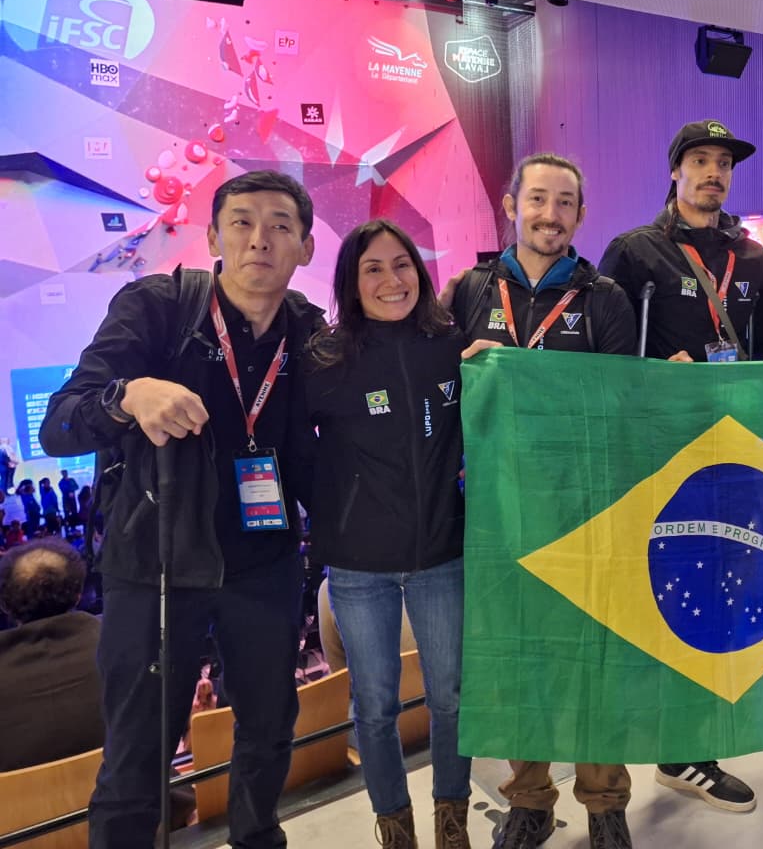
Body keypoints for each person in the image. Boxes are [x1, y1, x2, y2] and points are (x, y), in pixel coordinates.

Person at [40, 170, 322, 849]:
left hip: (264, 565)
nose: (261, 239)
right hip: (155, 566)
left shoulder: (308, 332)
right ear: (215, 236)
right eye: (244, 221)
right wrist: (127, 395)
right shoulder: (157, 307)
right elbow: (60, 425)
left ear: (306, 247)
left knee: (267, 733)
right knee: (137, 760)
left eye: (281, 225)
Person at [599, 120, 763, 814]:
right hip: (663, 460)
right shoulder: (634, 252)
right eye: (701, 161)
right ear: (675, 170)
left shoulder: (753, 257)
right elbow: (607, 356)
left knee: (720, 596)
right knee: (665, 594)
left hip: (735, 456)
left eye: (724, 163)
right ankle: (675, 744)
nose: (715, 172)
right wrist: (656, 372)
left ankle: (691, 744)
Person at [451, 154, 636, 849]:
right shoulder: (469, 291)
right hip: (497, 512)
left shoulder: (606, 300)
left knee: (593, 661)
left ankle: (605, 802)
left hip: (583, 509)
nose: (549, 214)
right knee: (515, 658)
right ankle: (529, 798)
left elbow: (621, 407)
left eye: (564, 203)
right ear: (511, 204)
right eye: (538, 199)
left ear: (580, 216)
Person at [305, 220, 473, 849]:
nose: (390, 280)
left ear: (419, 272)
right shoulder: (326, 357)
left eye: (401, 264)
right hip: (359, 568)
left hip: (440, 556)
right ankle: (394, 827)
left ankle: (451, 823)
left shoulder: (448, 343)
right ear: (351, 280)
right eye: (372, 268)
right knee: (374, 708)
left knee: (452, 700)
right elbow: (294, 450)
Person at [0, 537, 105, 771]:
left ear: (4, 606)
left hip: (25, 807)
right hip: (138, 803)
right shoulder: (122, 642)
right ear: (79, 593)